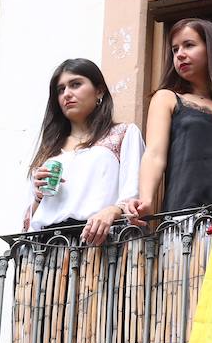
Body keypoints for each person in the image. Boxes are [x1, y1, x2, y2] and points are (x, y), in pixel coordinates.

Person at [27, 58, 145, 244]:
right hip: (48, 249)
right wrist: (38, 196)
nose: (67, 94)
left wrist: (114, 210)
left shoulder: (123, 134)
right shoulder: (49, 150)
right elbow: (32, 221)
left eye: (75, 84)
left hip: (100, 245)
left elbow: (134, 194)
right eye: (61, 89)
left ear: (99, 90)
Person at [128, 18, 212, 218]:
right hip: (184, 213)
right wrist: (147, 200)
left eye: (189, 45)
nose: (180, 55)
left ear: (210, 49)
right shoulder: (167, 97)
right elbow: (154, 154)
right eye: (175, 50)